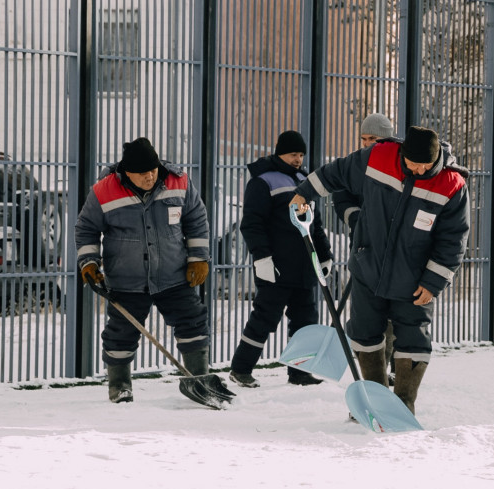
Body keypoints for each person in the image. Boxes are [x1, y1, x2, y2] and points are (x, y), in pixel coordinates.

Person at [289, 126, 470, 414]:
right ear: (402, 154)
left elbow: (454, 239)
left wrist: (434, 281)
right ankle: (373, 400)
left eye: (427, 165)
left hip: (415, 280)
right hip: (368, 267)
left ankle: (402, 407)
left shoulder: (452, 185)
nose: (420, 170)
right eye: (414, 163)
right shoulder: (378, 156)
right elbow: (336, 172)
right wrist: (303, 193)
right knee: (364, 333)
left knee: (413, 339)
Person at [75, 137, 212, 403]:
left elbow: (196, 220)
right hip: (127, 279)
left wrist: (198, 258)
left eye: (153, 170)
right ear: (127, 173)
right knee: (121, 334)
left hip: (173, 275)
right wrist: (89, 262)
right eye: (142, 173)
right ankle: (120, 387)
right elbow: (86, 229)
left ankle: (200, 379)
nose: (150, 176)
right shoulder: (103, 191)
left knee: (193, 322)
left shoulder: (179, 182)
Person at [227, 130, 334, 388]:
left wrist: (325, 255)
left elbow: (315, 225)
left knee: (306, 321)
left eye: (301, 155)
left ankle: (300, 372)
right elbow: (252, 224)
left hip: (304, 266)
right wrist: (262, 258)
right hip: (276, 267)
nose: (298, 159)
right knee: (265, 319)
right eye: (293, 154)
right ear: (280, 153)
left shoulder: (304, 181)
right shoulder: (263, 182)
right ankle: (241, 369)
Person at [334, 113, 399, 384]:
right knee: (365, 314)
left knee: (392, 315)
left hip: (393, 253)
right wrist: (358, 219)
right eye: (363, 138)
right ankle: (372, 373)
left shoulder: (399, 164)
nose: (366, 143)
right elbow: (341, 197)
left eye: (373, 138)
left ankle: (388, 365)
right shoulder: (355, 165)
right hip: (363, 249)